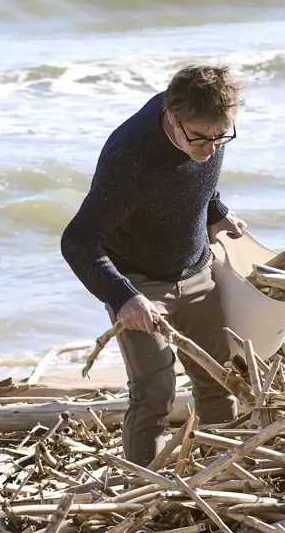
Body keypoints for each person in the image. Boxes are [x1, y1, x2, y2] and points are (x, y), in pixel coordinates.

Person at [61, 64, 247, 465]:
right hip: (138, 281)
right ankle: (143, 492)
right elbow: (77, 239)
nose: (211, 149)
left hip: (197, 268)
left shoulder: (209, 127)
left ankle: (222, 475)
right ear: (172, 116)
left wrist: (215, 210)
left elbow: (201, 179)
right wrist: (122, 296)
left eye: (222, 137)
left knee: (221, 381)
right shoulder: (131, 157)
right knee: (155, 392)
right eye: (199, 138)